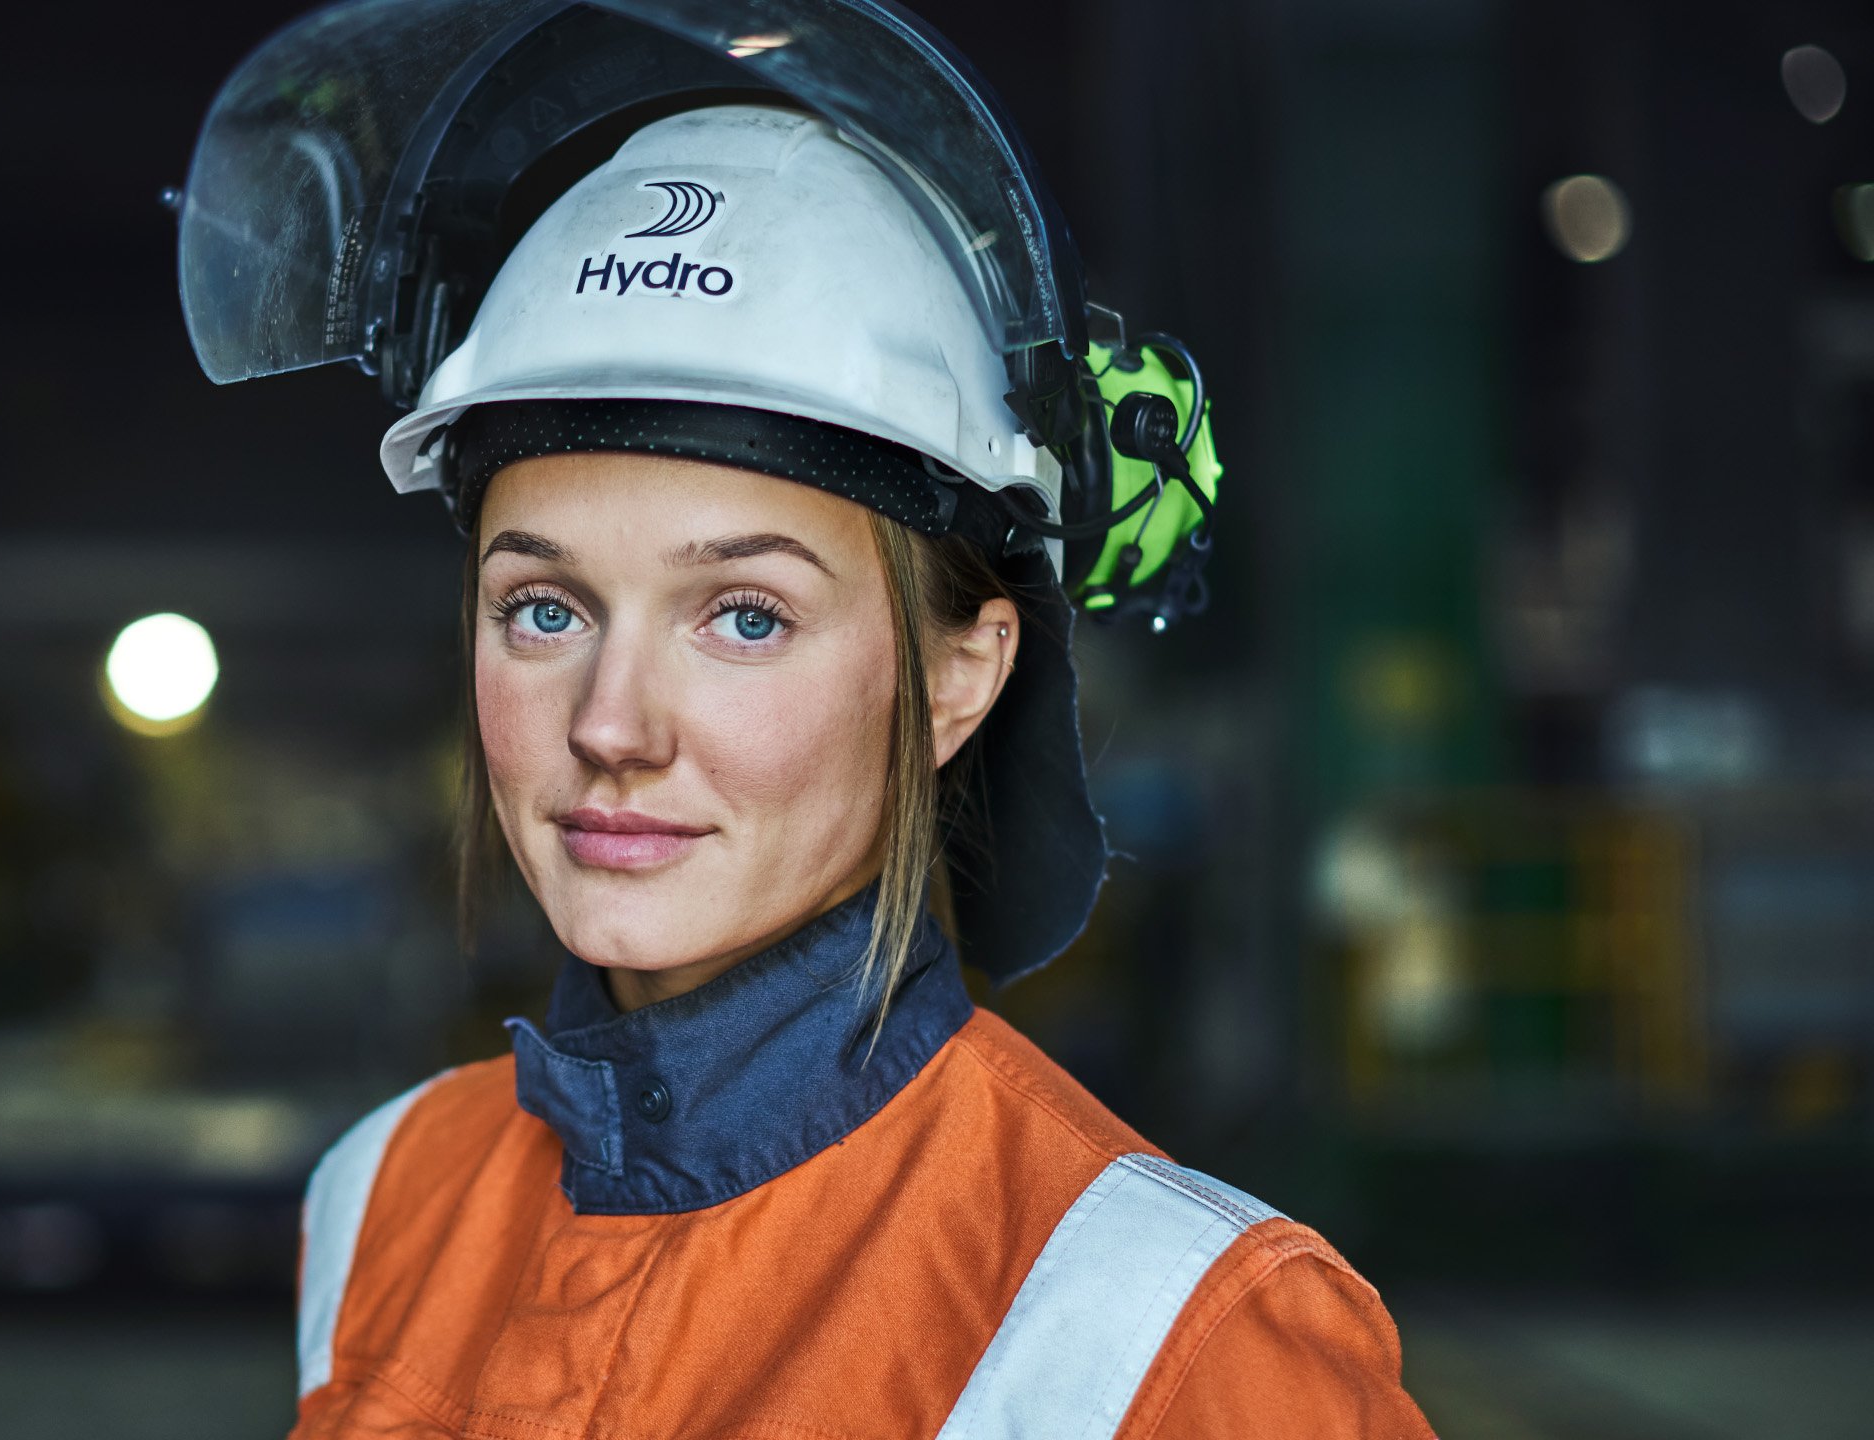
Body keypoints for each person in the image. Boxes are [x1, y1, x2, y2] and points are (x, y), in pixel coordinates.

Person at [178, 3, 1433, 1435]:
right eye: (546, 609)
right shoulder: (383, 1198)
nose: (613, 726)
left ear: (962, 674)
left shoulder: (1176, 1339)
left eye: (745, 617)